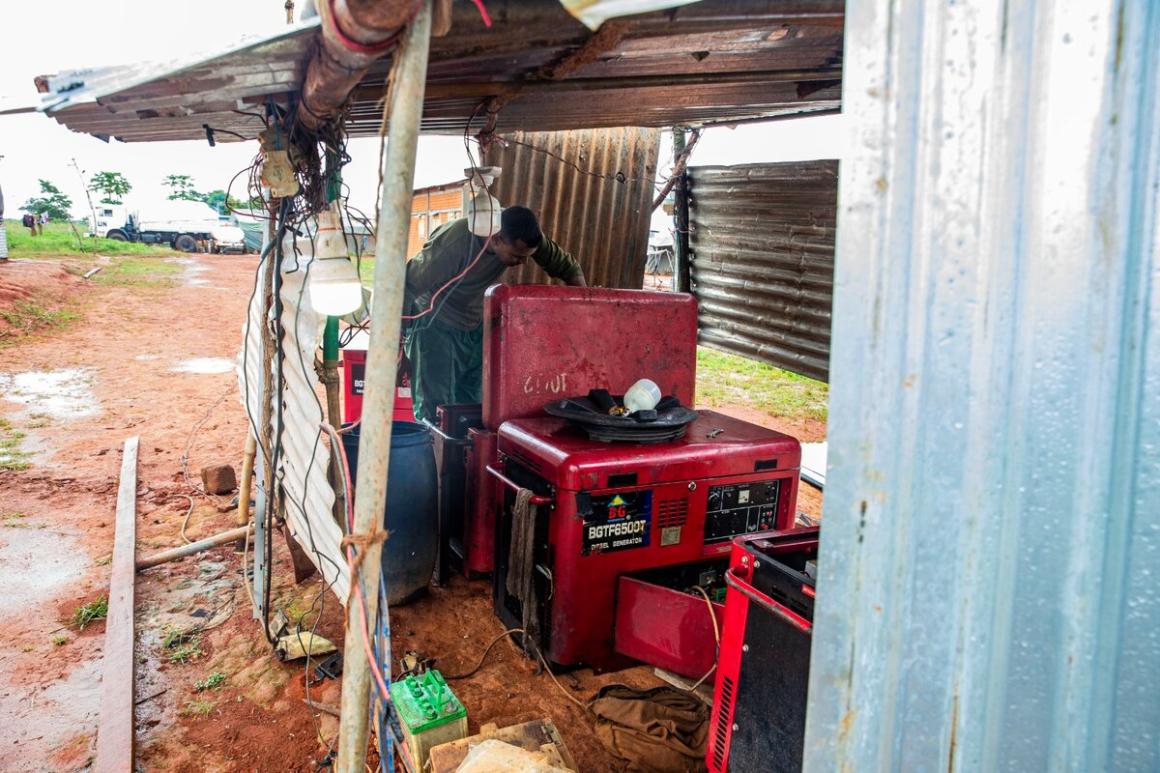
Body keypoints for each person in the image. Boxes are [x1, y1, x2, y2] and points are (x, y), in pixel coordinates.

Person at [403, 205, 586, 423]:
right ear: (497, 238)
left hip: (475, 324)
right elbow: (407, 285)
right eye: (517, 256)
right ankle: (431, 456)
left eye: (528, 256)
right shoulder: (455, 243)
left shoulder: (522, 233)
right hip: (435, 324)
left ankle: (465, 456)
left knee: (473, 407)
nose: (524, 262)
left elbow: (569, 268)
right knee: (436, 411)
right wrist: (396, 341)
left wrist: (584, 312)